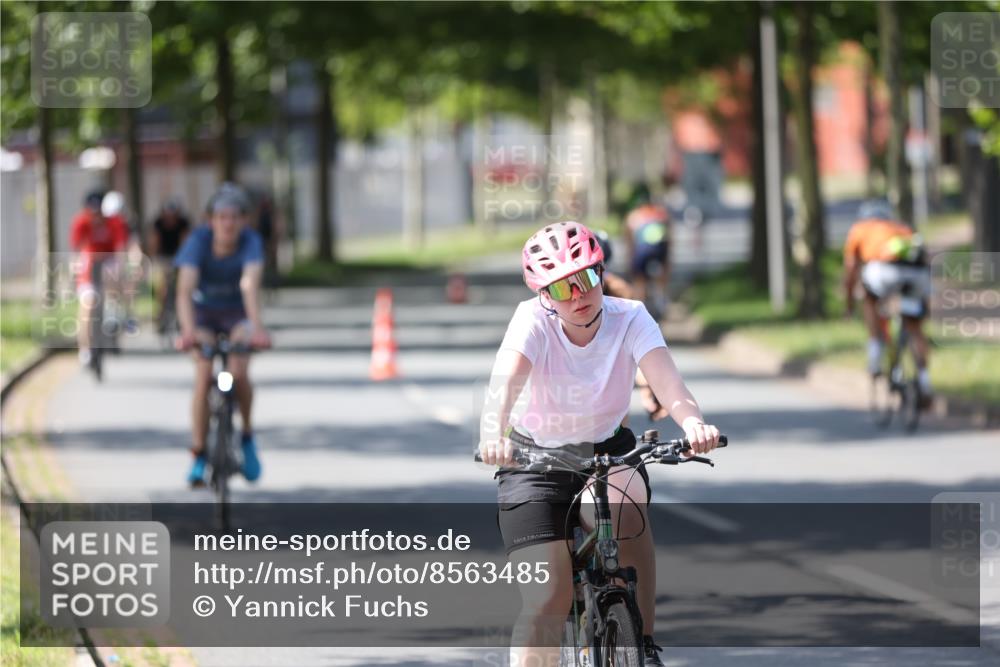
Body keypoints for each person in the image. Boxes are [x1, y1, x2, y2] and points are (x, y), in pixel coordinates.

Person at [479, 221, 722, 667]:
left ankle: (643, 644)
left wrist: (693, 424)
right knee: (548, 596)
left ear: (601, 272)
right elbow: (503, 388)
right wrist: (492, 435)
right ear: (544, 295)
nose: (579, 294)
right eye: (562, 288)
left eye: (588, 278)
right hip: (535, 462)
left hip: (609, 451)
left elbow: (670, 384)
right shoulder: (531, 321)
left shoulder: (630, 316)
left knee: (628, 516)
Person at [174, 183, 271, 486]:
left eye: (234, 217)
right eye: (221, 217)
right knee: (203, 374)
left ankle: (247, 436)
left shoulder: (251, 242)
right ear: (211, 220)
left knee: (238, 373)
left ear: (243, 221)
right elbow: (184, 290)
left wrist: (256, 329)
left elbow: (249, 285)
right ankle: (199, 452)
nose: (228, 223)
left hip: (237, 316)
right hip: (203, 316)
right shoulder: (197, 242)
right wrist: (189, 331)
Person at [843, 199, 933, 402]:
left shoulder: (860, 229)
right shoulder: (901, 228)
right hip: (916, 276)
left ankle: (875, 354)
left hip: (883, 272)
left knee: (868, 296)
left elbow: (850, 270)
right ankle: (925, 381)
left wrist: (848, 304)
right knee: (915, 328)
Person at [69, 189, 130, 366]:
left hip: (109, 261)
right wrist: (74, 269)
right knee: (87, 306)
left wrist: (121, 270)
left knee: (114, 286)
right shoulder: (81, 222)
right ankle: (85, 348)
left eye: (98, 212)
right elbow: (75, 251)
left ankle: (114, 316)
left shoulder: (114, 222)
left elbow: (120, 249)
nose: (95, 217)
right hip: (89, 262)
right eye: (92, 212)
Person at [623, 184, 672, 321]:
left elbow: (630, 241)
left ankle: (640, 305)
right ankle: (662, 297)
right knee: (663, 273)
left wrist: (630, 260)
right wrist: (668, 261)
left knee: (639, 279)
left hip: (643, 250)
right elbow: (669, 237)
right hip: (660, 247)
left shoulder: (633, 216)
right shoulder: (661, 214)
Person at [148, 199, 191, 328]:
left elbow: (186, 243)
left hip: (178, 256)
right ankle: (159, 316)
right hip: (163, 257)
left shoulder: (183, 223)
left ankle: (181, 317)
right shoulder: (158, 224)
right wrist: (153, 260)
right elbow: (154, 243)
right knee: (161, 286)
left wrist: (184, 261)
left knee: (182, 285)